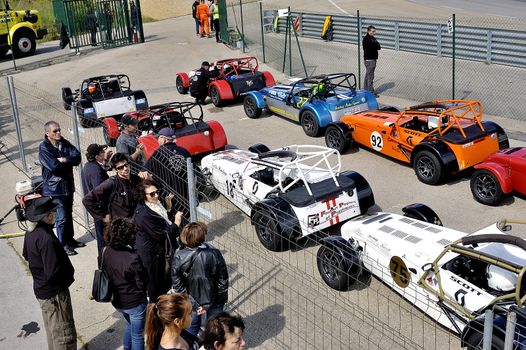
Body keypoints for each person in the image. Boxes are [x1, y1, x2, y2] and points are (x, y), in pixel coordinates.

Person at [22, 197, 77, 350]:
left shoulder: (31, 233)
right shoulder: (46, 239)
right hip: (55, 295)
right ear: (47, 216)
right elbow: (53, 271)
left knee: (53, 331)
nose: (55, 214)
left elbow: (26, 255)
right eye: (53, 211)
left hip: (42, 290)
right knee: (64, 334)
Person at [171, 222, 229, 337]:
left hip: (191, 300)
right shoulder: (214, 254)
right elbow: (223, 280)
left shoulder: (179, 256)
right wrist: (215, 301)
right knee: (215, 330)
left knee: (191, 329)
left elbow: (177, 284)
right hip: (214, 300)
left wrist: (193, 304)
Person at [39, 120, 84, 256]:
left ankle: (70, 240)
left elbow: (77, 157)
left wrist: (64, 160)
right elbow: (53, 166)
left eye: (59, 130)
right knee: (61, 217)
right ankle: (63, 245)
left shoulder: (63, 143)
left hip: (67, 185)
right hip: (55, 188)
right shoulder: (44, 148)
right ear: (48, 134)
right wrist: (65, 161)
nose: (58, 132)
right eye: (55, 131)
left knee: (68, 213)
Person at [134, 179, 183, 303]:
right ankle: (155, 309)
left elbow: (164, 222)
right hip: (151, 254)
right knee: (155, 283)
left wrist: (169, 209)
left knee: (162, 279)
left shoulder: (155, 204)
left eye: (157, 192)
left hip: (159, 250)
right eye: (152, 194)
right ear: (143, 196)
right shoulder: (143, 214)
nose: (156, 195)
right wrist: (176, 224)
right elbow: (160, 234)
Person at [104, 218, 148, 350]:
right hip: (134, 303)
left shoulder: (105, 251)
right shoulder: (132, 258)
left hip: (117, 301)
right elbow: (141, 283)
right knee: (138, 335)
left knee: (129, 325)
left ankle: (126, 348)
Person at [83, 153, 151, 236]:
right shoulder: (111, 183)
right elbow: (87, 200)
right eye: (120, 167)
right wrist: (103, 216)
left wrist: (149, 180)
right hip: (121, 228)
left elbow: (153, 193)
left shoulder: (136, 179)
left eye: (126, 165)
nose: (125, 169)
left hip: (137, 224)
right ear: (115, 170)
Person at [145, 127, 191, 225]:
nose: (157, 140)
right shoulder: (184, 151)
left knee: (172, 221)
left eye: (158, 137)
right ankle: (189, 237)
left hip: (168, 196)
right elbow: (194, 173)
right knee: (185, 219)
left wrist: (151, 179)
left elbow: (145, 172)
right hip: (185, 193)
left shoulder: (158, 154)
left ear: (164, 139)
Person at [81, 144, 113, 260]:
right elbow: (100, 193)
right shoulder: (95, 171)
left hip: (97, 210)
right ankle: (104, 263)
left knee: (102, 237)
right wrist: (105, 214)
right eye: (101, 153)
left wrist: (106, 160)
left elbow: (103, 167)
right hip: (101, 211)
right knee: (104, 239)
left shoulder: (89, 166)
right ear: (96, 156)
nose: (103, 154)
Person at [362, 25, 381, 96]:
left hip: (372, 59)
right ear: (368, 31)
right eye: (373, 31)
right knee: (370, 77)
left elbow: (378, 47)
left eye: (374, 31)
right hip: (369, 60)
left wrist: (375, 45)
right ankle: (371, 93)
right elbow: (374, 47)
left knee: (368, 75)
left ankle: (366, 90)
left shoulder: (373, 38)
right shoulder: (367, 39)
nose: (374, 33)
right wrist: (375, 45)